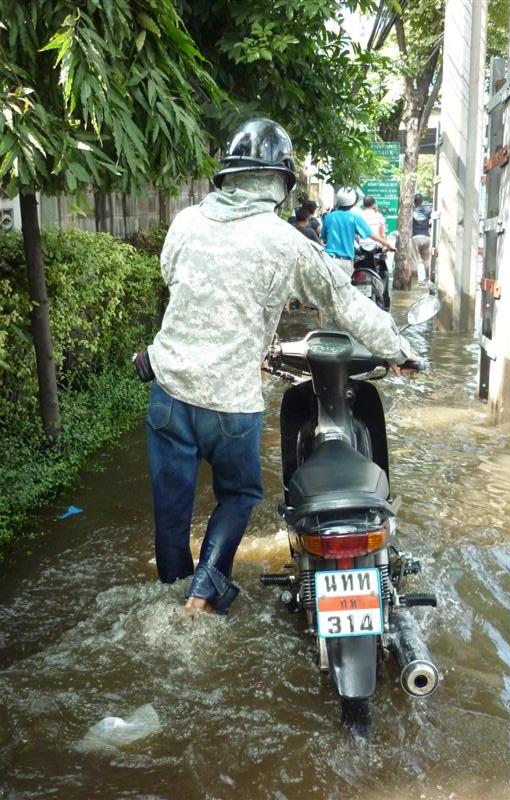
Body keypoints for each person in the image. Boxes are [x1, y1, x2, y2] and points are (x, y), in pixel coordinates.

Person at [141, 118, 416, 618]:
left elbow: (170, 274)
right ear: (280, 184)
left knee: (170, 518)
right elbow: (346, 304)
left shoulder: (184, 222)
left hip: (168, 393)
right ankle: (204, 591)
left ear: (229, 175)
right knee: (240, 494)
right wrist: (397, 350)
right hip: (230, 404)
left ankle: (174, 590)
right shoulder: (284, 241)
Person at [320, 188, 393, 276]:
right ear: (353, 202)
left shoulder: (329, 217)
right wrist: (387, 244)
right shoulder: (354, 218)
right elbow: (371, 235)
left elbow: (323, 237)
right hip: (345, 262)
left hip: (329, 261)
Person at [410, 193, 432, 281]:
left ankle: (415, 280)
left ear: (414, 201)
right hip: (426, 238)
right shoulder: (427, 210)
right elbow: (432, 221)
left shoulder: (411, 211)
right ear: (422, 201)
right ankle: (427, 278)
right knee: (426, 260)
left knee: (414, 260)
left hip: (415, 238)